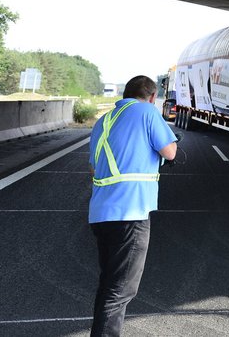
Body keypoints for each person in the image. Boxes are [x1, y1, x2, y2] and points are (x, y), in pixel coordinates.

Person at [88, 75, 178, 336]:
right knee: (120, 290)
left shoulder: (103, 121)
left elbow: (94, 166)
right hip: (131, 212)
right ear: (152, 97)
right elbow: (169, 151)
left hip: (101, 214)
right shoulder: (147, 111)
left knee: (109, 286)